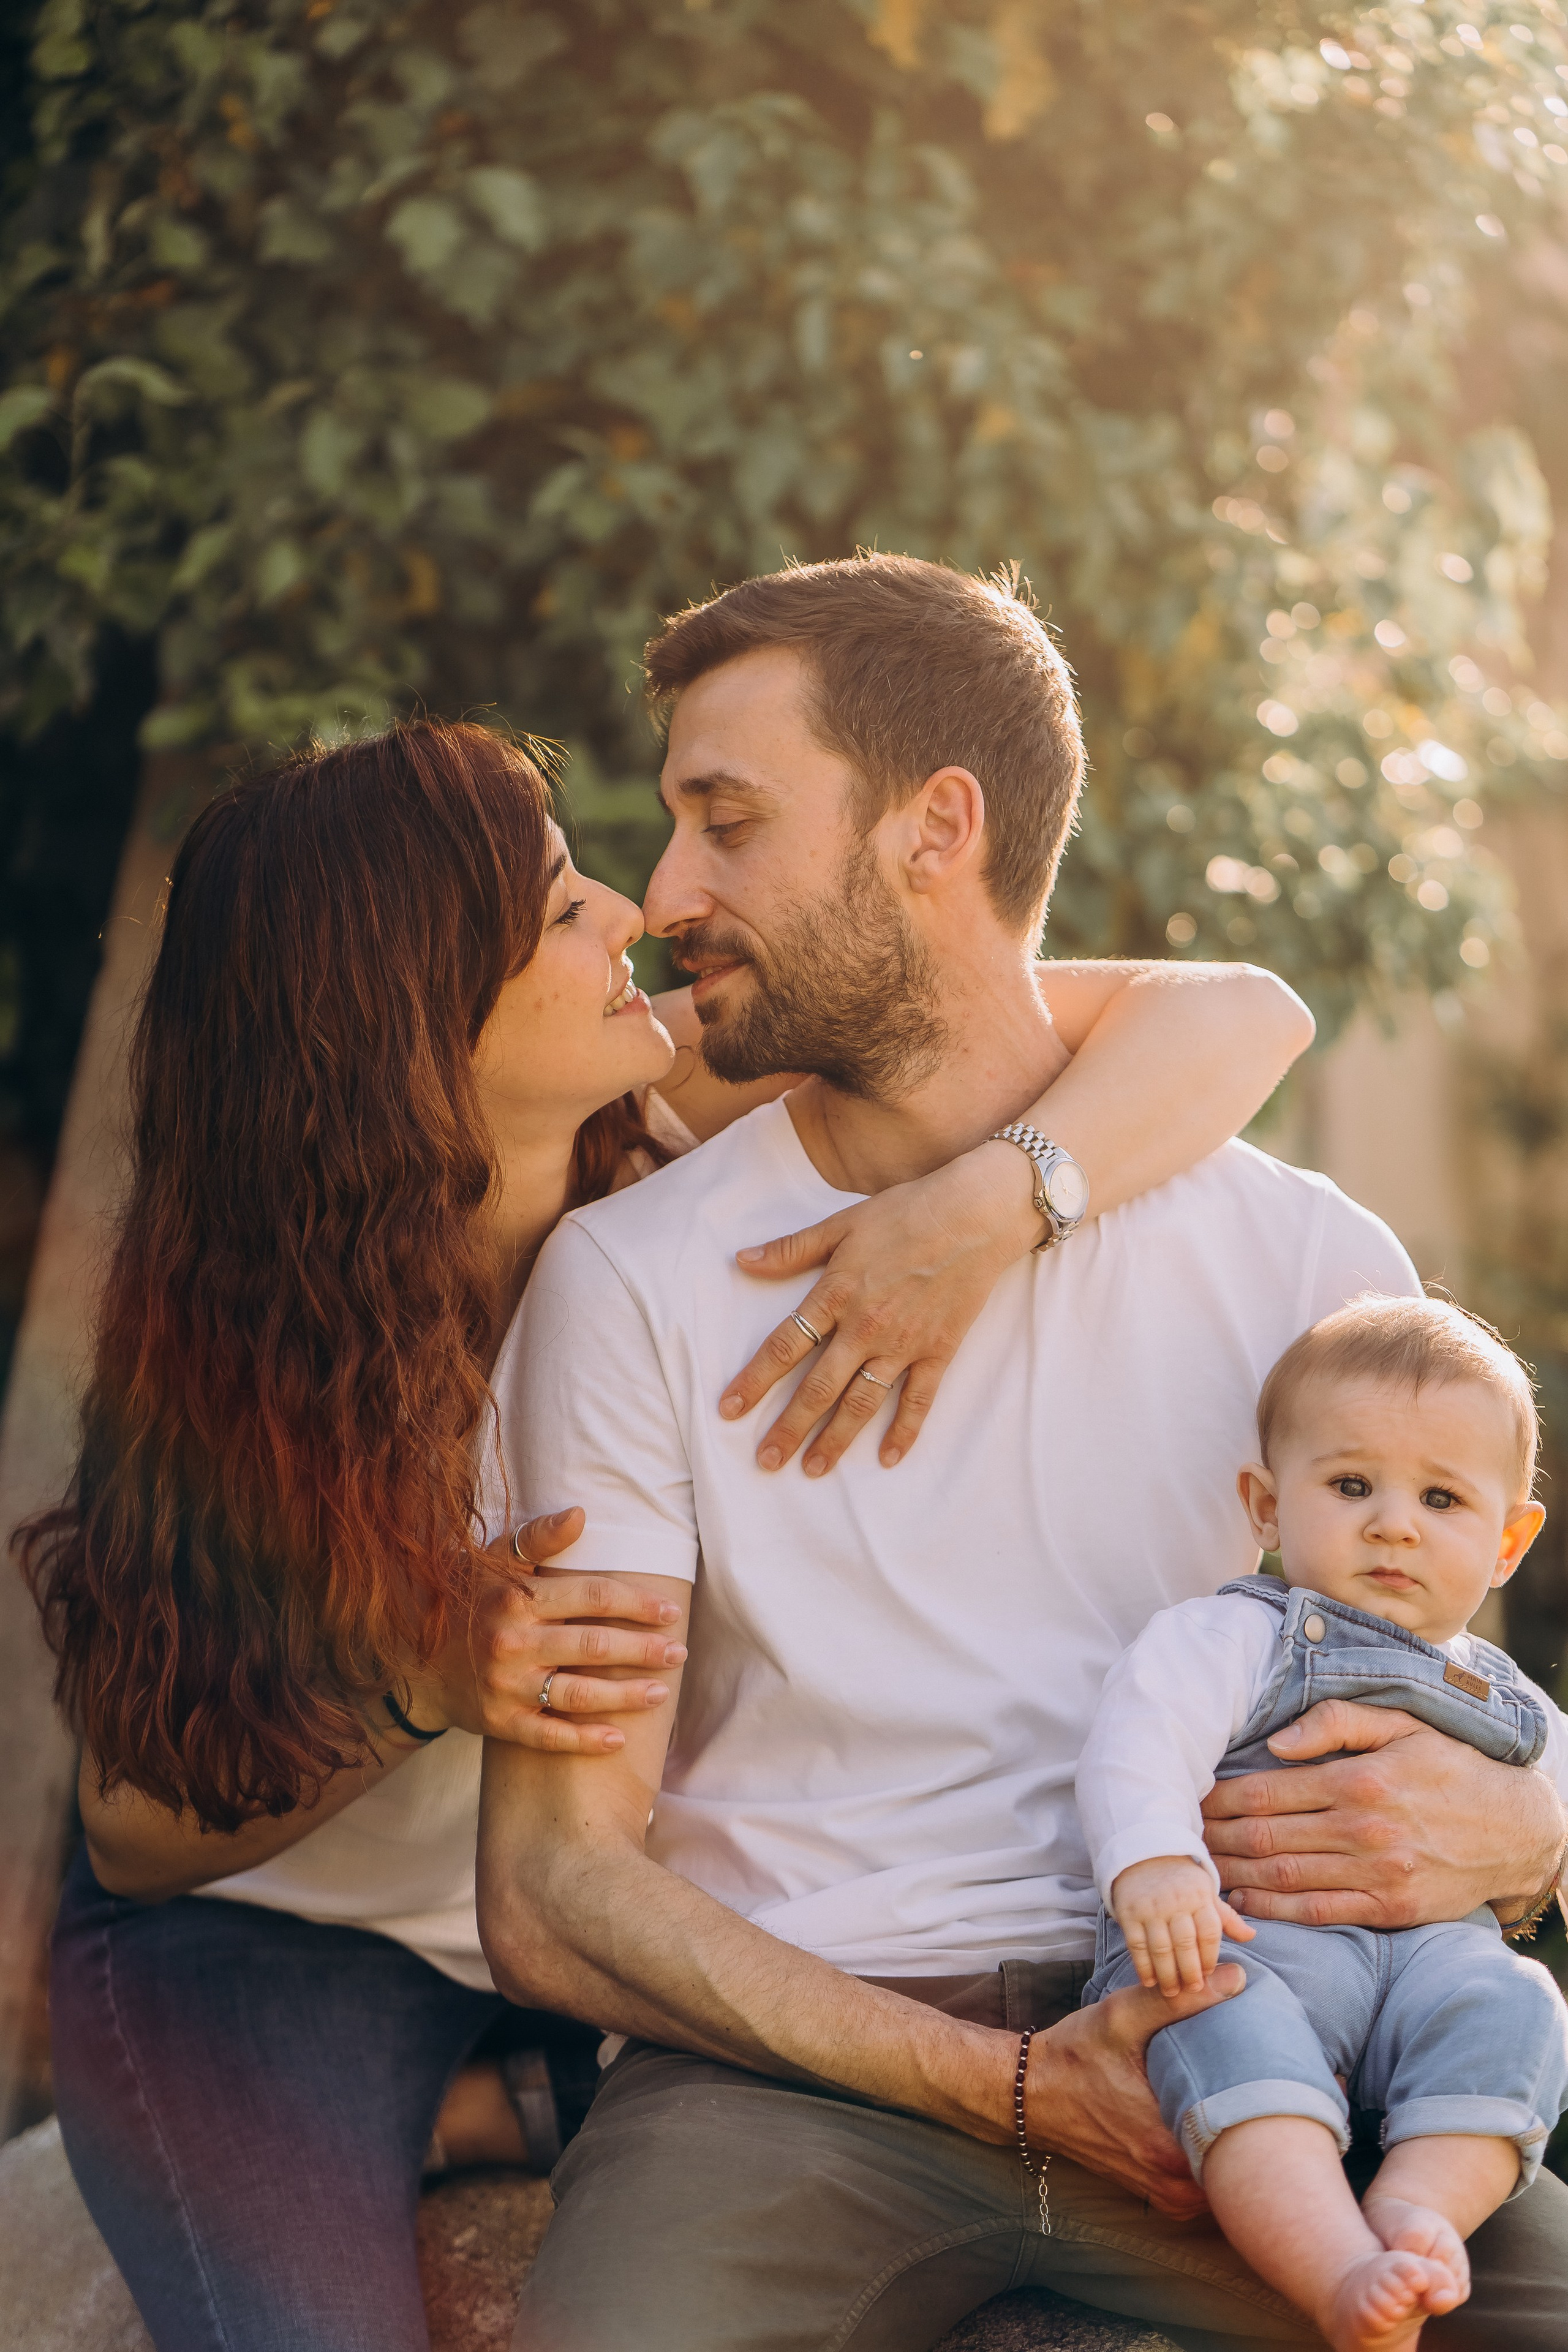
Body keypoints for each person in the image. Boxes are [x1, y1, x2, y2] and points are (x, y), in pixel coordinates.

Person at [18, 718, 1303, 2352]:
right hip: (283, 1954)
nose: (628, 907)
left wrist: (989, 1204)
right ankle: (440, 2114)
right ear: (411, 1018)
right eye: (561, 912)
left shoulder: (686, 1089)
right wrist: (426, 1674)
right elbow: (137, 1832)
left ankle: (496, 2109)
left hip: (599, 1932)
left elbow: (1240, 1015)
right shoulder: (246, 1350)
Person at [474, 553, 1568, 2352]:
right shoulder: (629, 1282)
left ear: (940, 826)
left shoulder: (1311, 1268)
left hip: (1258, 2045)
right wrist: (999, 2083)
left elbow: (1448, 1723)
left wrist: (1531, 1828)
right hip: (792, 2081)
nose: (667, 898)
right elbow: (555, 1889)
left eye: (727, 823)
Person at [1078, 1295, 1568, 2352]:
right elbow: (1139, 1739)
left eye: (1442, 1498)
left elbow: (1560, 1820)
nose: (1394, 1523)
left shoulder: (1511, 1700)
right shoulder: (1231, 1637)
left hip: (1432, 1970)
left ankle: (1417, 2215)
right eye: (1352, 1486)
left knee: (1521, 2005)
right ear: (1266, 1503)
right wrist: (1156, 1864)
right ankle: (1335, 2268)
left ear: (1508, 1542)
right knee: (1210, 2016)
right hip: (1258, 1951)